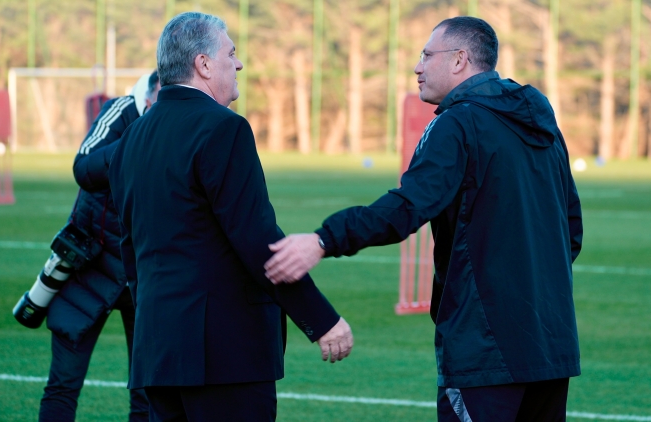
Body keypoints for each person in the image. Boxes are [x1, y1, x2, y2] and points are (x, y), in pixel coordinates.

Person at [264, 16, 583, 422]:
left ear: (459, 60)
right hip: (552, 343)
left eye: (427, 55)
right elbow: (571, 230)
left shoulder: (458, 123)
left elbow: (407, 207)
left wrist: (324, 239)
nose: (417, 67)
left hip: (487, 348)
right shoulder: (540, 121)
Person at [107, 12, 353, 422]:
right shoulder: (223, 128)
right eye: (231, 53)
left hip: (158, 350)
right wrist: (321, 319)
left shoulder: (132, 136)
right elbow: (257, 240)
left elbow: (130, 248)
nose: (238, 64)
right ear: (203, 64)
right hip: (224, 356)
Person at [38, 71, 160, 422]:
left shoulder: (183, 128)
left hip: (144, 275)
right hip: (89, 265)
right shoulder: (121, 111)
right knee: (63, 385)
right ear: (148, 97)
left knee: (148, 394)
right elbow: (83, 166)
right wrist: (140, 137)